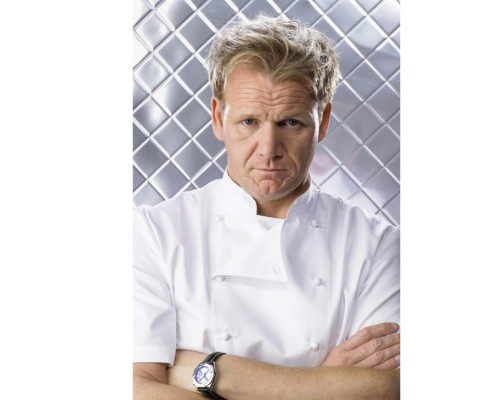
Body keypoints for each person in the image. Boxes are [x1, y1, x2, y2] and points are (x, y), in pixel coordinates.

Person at [133, 15, 400, 400]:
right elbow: (135, 387)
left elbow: (386, 389)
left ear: (323, 121)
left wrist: (207, 372)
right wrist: (325, 385)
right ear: (218, 118)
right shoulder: (154, 233)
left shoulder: (378, 246)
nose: (269, 149)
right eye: (249, 122)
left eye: (291, 123)